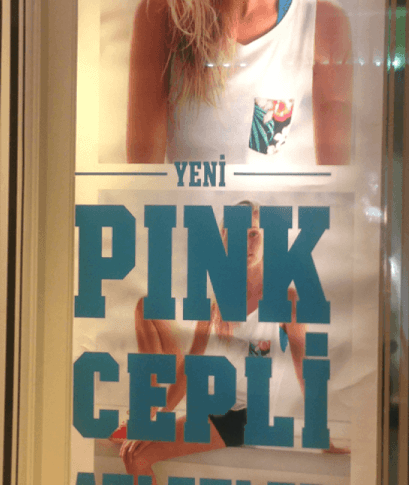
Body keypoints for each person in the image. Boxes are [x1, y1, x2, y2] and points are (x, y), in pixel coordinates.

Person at [113, 202, 347, 485]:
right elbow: (191, 367)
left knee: (136, 457)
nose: (246, 243)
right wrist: (157, 420)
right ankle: (144, 413)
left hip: (242, 417)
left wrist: (323, 437)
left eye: (253, 234)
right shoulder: (216, 302)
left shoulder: (286, 298)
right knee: (147, 307)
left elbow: (305, 369)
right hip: (211, 403)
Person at [126, 0, 353, 165]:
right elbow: (144, 178)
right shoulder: (162, 14)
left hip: (278, 217)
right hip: (192, 217)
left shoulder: (323, 24)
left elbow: (338, 189)